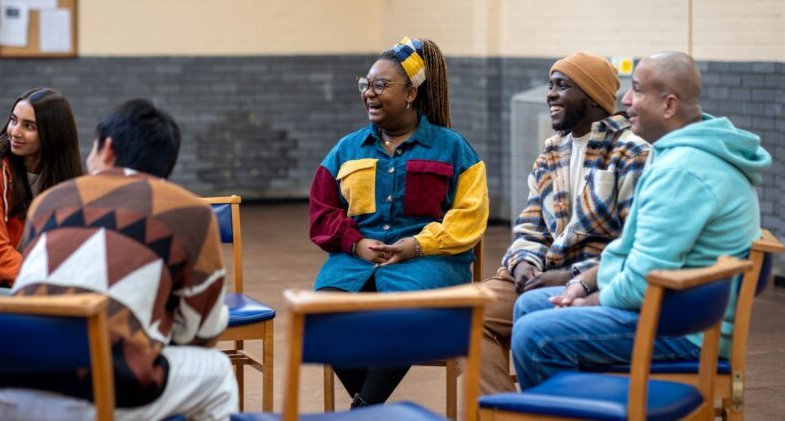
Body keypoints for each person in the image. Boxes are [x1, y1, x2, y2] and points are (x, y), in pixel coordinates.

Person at [511, 52, 771, 390]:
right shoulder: (673, 153)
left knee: (537, 335)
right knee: (530, 304)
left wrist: (587, 303)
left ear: (669, 105)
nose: (626, 100)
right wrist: (583, 283)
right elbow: (631, 249)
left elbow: (640, 281)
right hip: (669, 305)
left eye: (637, 89)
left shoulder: (683, 170)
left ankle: (581, 408)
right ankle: (575, 402)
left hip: (689, 327)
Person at [0, 99, 238, 420]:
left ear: (108, 148)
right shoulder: (190, 211)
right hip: (96, 390)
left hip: (2, 384)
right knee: (217, 372)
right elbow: (202, 330)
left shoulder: (48, 201)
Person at [309, 37, 489, 406]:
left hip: (429, 263)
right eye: (366, 84)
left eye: (380, 85)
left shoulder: (454, 148)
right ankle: (368, 410)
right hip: (357, 262)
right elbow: (322, 210)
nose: (369, 93)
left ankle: (362, 411)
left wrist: (418, 245)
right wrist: (356, 243)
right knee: (320, 315)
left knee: (405, 318)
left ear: (410, 93)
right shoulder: (346, 149)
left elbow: (470, 218)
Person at [478, 52, 650, 393]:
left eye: (562, 86)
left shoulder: (632, 152)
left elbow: (633, 244)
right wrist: (524, 263)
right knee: (465, 316)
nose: (551, 95)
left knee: (533, 323)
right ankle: (505, 411)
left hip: (592, 284)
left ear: (594, 97)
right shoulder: (551, 153)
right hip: (537, 276)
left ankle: (544, 408)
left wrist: (570, 276)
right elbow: (530, 226)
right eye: (551, 85)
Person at [0, 88, 84, 288]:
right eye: (13, 120)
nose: (15, 132)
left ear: (52, 134)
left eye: (29, 126)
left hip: (33, 278)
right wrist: (52, 282)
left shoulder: (65, 177)